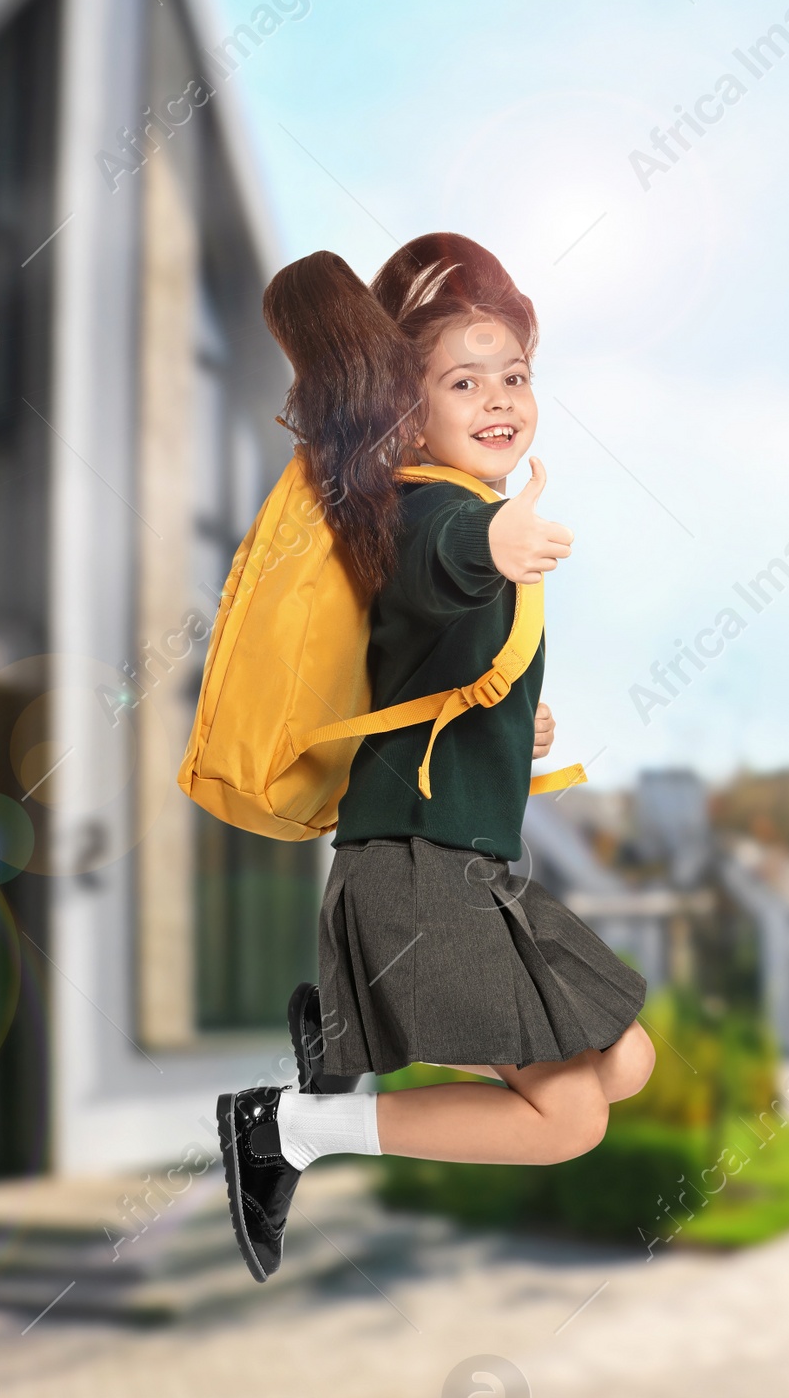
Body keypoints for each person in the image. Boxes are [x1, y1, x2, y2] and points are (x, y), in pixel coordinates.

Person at [217, 233, 656, 1283]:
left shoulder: (451, 503)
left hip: (465, 862)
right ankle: (290, 1128)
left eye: (514, 373)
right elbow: (434, 568)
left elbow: (420, 656)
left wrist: (511, 724)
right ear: (409, 411)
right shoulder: (422, 508)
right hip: (416, 870)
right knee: (569, 1121)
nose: (500, 396)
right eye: (465, 380)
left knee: (626, 1059)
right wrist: (493, 546)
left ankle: (344, 1032)